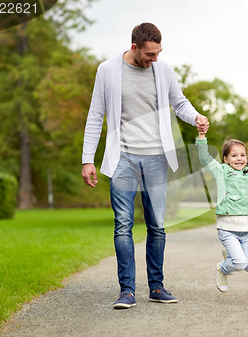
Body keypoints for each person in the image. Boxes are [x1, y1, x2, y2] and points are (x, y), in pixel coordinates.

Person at [81, 22, 209, 309]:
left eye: (159, 53)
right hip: (123, 157)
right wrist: (87, 158)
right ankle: (127, 290)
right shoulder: (107, 70)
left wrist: (197, 117)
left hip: (155, 158)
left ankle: (156, 286)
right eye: (150, 54)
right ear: (134, 47)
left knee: (158, 226)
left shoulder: (162, 70)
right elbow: (95, 115)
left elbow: (180, 103)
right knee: (123, 225)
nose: (155, 59)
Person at [195, 121, 248, 292]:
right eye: (234, 156)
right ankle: (223, 267)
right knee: (240, 263)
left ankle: (231, 258)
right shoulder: (221, 171)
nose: (239, 159)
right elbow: (205, 158)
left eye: (242, 155)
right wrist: (202, 136)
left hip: (247, 231)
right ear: (225, 159)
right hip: (227, 229)